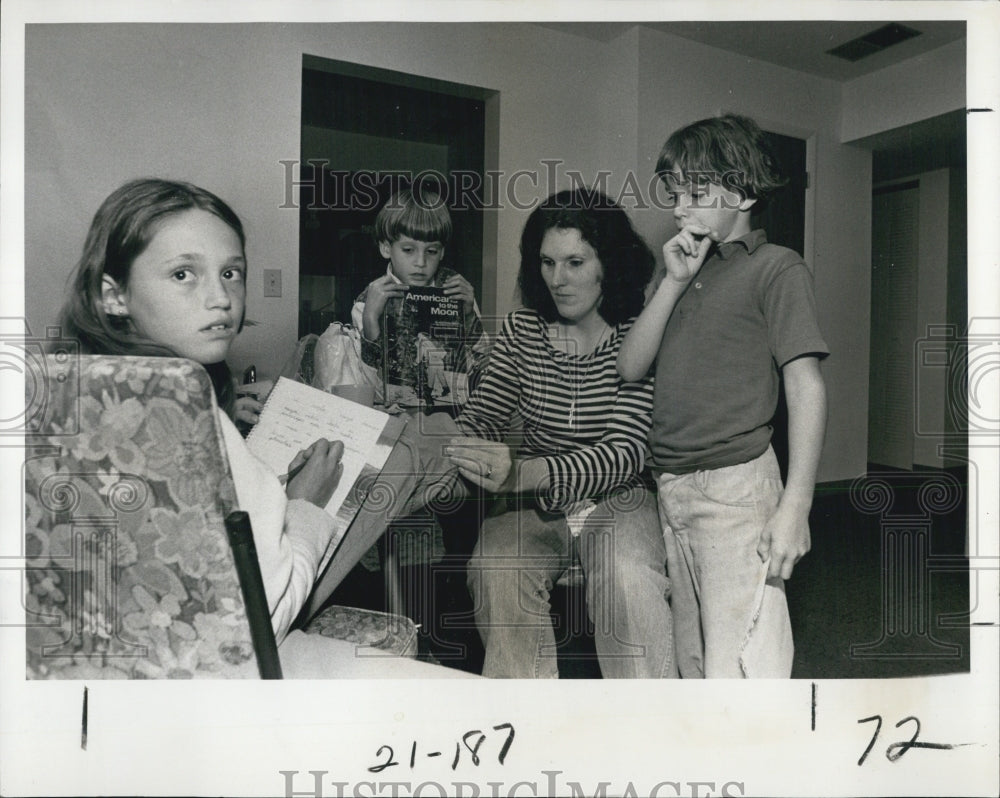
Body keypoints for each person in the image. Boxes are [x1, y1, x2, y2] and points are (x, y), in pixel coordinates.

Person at [57, 179, 479, 681]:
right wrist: (305, 501)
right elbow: (262, 622)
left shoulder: (84, 392)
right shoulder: (198, 418)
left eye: (231, 272)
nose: (220, 298)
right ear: (114, 295)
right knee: (408, 455)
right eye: (183, 274)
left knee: (416, 452)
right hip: (234, 654)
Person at [617, 114, 829, 678]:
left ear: (741, 192)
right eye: (674, 193)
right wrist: (673, 282)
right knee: (694, 656)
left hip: (737, 486)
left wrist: (797, 504)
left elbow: (804, 383)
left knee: (741, 665)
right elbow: (630, 365)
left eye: (696, 193)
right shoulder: (681, 271)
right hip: (672, 484)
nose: (680, 207)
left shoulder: (775, 268)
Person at [452, 188, 675, 679]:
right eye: (547, 263)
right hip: (532, 503)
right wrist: (459, 443)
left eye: (575, 262)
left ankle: (653, 728)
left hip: (619, 495)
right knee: (496, 568)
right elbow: (485, 414)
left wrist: (521, 473)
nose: (558, 279)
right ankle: (525, 726)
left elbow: (624, 453)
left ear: (607, 264)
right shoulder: (521, 330)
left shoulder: (639, 332)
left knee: (628, 575)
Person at [351, 185, 490, 401]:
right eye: (408, 250)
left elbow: (484, 363)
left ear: (442, 252)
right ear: (386, 248)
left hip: (451, 414)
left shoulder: (455, 292)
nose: (421, 262)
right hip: (392, 412)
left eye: (431, 251)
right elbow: (365, 388)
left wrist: (469, 316)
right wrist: (370, 320)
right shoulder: (367, 302)